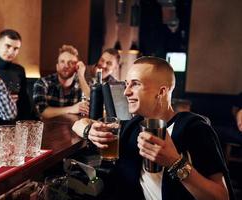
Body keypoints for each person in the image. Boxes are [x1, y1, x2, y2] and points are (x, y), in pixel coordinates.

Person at [72, 56, 233, 200]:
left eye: (135, 84)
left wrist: (175, 163)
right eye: (126, 85)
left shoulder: (194, 129)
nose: (126, 92)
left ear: (162, 91)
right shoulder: (132, 126)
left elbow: (221, 196)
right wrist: (89, 131)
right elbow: (78, 124)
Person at [33, 44, 89, 119]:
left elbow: (93, 105)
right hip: (47, 129)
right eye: (62, 62)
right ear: (57, 66)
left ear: (76, 67)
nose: (66, 66)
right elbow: (42, 112)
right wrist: (72, 109)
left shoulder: (81, 84)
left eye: (71, 62)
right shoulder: (42, 83)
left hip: (74, 129)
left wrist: (81, 76)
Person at [0, 29, 32, 124]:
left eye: (16, 48)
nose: (11, 51)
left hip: (16, 122)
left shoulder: (19, 70)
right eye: (8, 46)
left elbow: (24, 102)